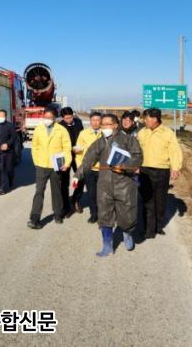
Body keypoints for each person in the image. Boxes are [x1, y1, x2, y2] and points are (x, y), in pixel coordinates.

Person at [75, 114, 142, 256]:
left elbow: (138, 157)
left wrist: (124, 165)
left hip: (124, 183)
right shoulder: (99, 143)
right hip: (104, 184)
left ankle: (127, 233)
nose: (104, 127)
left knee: (127, 214)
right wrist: (77, 175)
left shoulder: (128, 140)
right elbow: (88, 160)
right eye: (102, 124)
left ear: (115, 125)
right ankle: (107, 245)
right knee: (104, 214)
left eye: (107, 124)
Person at [137, 108, 183, 238]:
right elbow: (136, 151)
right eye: (144, 118)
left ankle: (158, 226)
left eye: (147, 118)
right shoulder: (142, 132)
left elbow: (174, 151)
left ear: (155, 119)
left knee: (160, 201)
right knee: (147, 201)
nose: (145, 121)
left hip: (161, 171)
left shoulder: (167, 133)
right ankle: (148, 229)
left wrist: (175, 168)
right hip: (144, 170)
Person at [28, 106, 72, 229]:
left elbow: (67, 148)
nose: (47, 119)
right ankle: (35, 218)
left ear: (55, 118)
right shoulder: (39, 129)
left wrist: (67, 163)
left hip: (56, 165)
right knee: (39, 191)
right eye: (45, 117)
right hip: (41, 165)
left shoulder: (61, 130)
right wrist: (36, 161)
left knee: (56, 191)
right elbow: (35, 146)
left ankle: (58, 214)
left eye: (50, 117)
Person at [72, 111, 102, 223]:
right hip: (89, 168)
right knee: (91, 193)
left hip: (103, 169)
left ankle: (103, 214)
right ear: (90, 121)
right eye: (93, 120)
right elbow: (78, 152)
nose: (95, 122)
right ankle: (94, 214)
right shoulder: (83, 134)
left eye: (98, 120)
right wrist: (81, 167)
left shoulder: (105, 133)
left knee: (102, 193)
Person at [59, 106, 83, 217]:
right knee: (64, 182)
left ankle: (75, 199)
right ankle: (66, 206)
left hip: (77, 155)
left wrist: (80, 147)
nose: (69, 120)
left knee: (80, 178)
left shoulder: (78, 122)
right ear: (62, 118)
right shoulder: (60, 126)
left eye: (70, 117)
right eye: (67, 118)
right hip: (65, 156)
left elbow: (82, 137)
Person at [0, 109, 17, 195]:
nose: (0, 117)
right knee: (0, 169)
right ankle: (0, 188)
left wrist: (7, 144)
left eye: (2, 116)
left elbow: (14, 137)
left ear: (5, 116)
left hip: (9, 151)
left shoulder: (10, 125)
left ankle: (11, 179)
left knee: (9, 169)